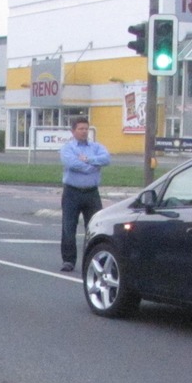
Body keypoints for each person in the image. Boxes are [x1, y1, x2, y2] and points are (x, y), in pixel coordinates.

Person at [59, 117, 111, 273]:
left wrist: (89, 159)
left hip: (91, 193)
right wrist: (93, 167)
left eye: (86, 128)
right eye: (80, 129)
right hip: (72, 192)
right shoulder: (68, 148)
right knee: (69, 227)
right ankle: (68, 260)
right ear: (73, 131)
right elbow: (72, 164)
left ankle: (96, 260)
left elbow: (106, 159)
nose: (84, 131)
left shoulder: (95, 147)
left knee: (96, 227)